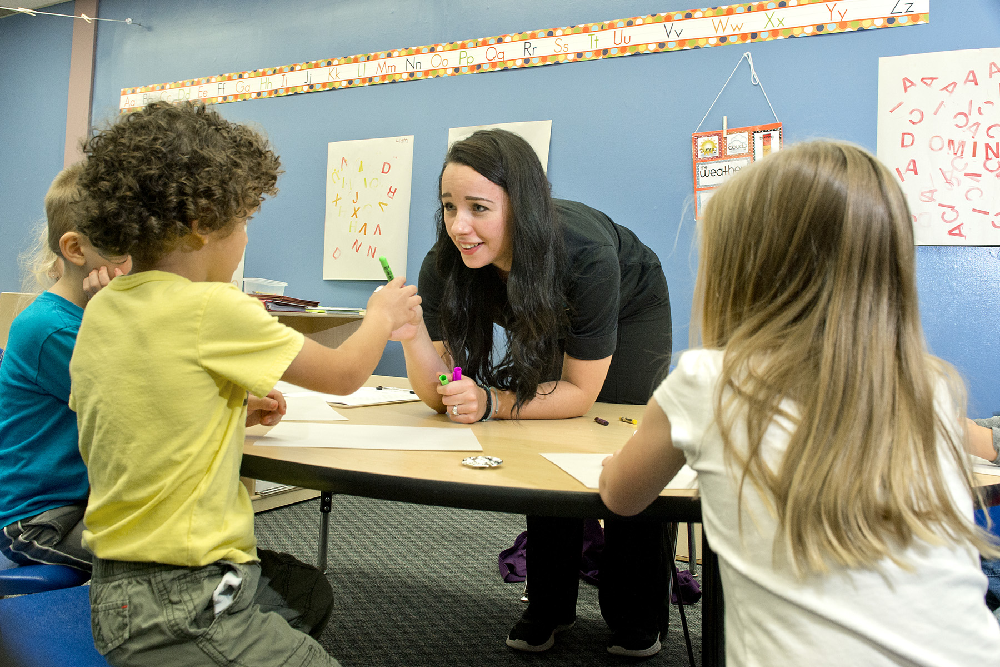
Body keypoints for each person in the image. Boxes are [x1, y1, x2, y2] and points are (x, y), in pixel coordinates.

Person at [599, 140, 1000, 665]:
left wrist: (613, 466)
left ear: (741, 274)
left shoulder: (709, 380)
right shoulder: (929, 385)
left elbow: (621, 497)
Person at [70, 101, 421, 667]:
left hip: (115, 588)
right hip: (187, 597)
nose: (246, 237)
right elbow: (343, 375)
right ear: (204, 224)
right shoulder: (214, 307)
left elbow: (137, 411)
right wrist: (380, 315)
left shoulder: (105, 306)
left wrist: (226, 409)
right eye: (244, 221)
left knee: (304, 593)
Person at [400, 129, 672, 656]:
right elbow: (443, 388)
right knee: (547, 450)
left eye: (479, 207)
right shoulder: (446, 262)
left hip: (630, 306)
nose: (460, 226)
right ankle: (549, 605)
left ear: (520, 204)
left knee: (624, 445)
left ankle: (637, 613)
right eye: (449, 206)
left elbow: (578, 393)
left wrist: (494, 402)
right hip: (547, 298)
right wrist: (415, 342)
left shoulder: (586, 255)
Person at [0, 163, 132, 573]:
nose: (135, 264)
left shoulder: (82, 318)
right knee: (170, 552)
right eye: (124, 248)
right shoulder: (52, 329)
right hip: (38, 524)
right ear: (75, 250)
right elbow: (137, 405)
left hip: (82, 503)